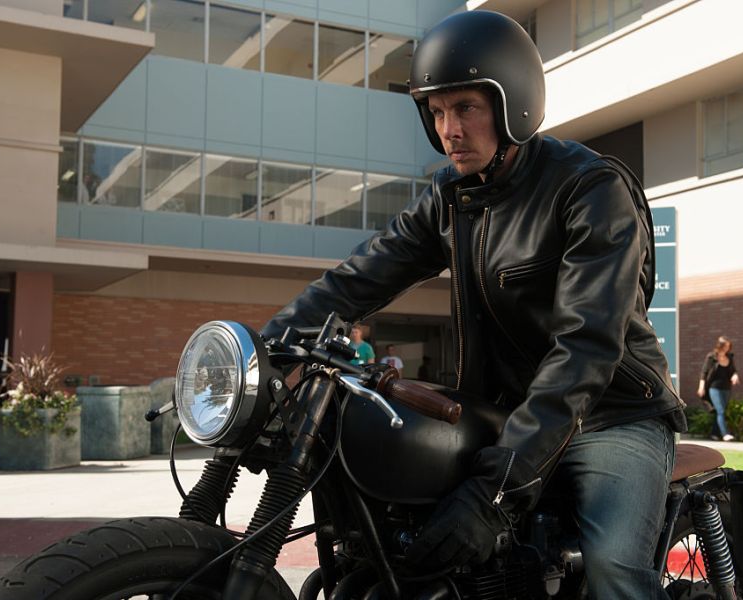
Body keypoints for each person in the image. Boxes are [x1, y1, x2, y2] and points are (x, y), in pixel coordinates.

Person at [262, 10, 686, 598]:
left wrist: (495, 491)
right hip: (505, 415)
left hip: (610, 413)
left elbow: (585, 348)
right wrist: (261, 350)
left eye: (465, 108)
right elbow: (359, 277)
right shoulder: (450, 196)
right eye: (436, 112)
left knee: (615, 571)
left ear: (513, 105)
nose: (448, 130)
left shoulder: (591, 189)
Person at [698, 336, 740, 442]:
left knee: (720, 411)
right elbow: (704, 372)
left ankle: (714, 434)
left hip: (726, 388)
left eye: (728, 346)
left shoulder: (729, 357)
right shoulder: (711, 357)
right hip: (714, 388)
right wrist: (701, 386)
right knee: (720, 410)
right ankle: (725, 434)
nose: (727, 348)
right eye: (725, 345)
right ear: (720, 345)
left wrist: (735, 375)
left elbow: (733, 370)